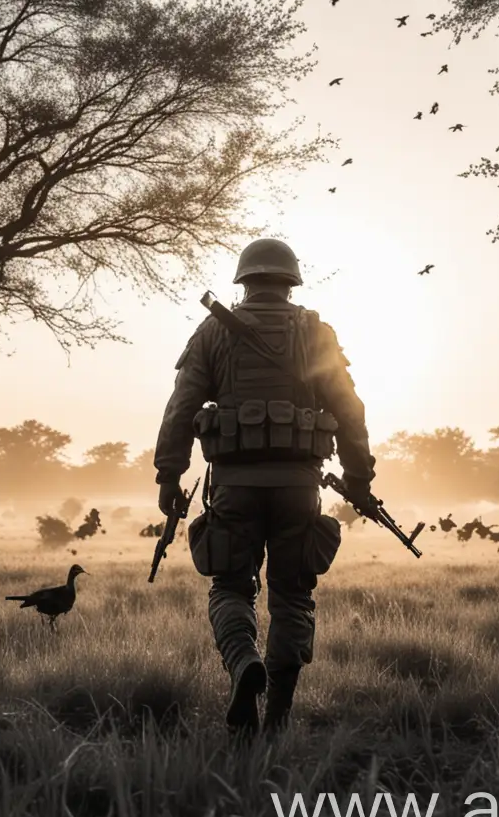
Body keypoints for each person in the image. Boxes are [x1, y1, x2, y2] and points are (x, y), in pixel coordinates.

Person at [154, 236, 375, 735]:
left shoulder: (213, 332)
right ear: (291, 281)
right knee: (293, 596)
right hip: (299, 486)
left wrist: (169, 474)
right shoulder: (316, 333)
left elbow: (181, 407)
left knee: (230, 586)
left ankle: (242, 665)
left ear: (245, 280)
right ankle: (276, 718)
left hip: (234, 484)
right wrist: (359, 477)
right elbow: (349, 409)